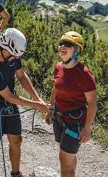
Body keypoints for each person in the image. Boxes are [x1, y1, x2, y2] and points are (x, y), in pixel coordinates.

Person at [0, 28, 49, 177]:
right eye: (13, 56)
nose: (14, 59)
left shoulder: (12, 53)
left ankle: (16, 173)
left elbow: (22, 76)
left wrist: (37, 98)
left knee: (16, 140)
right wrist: (36, 105)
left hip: (9, 106)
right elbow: (9, 97)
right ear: (4, 50)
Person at [45, 31, 97, 177]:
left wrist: (87, 128)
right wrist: (51, 108)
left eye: (68, 44)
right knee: (67, 156)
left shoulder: (84, 74)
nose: (62, 46)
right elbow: (56, 88)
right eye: (61, 43)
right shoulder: (58, 67)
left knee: (64, 161)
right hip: (59, 117)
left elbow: (92, 103)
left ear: (77, 50)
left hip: (75, 122)